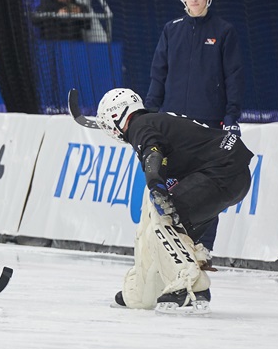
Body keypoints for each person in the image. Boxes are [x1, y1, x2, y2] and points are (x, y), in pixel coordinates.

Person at [95, 88, 253, 313]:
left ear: (116, 117)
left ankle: (192, 286)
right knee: (163, 223)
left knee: (163, 215)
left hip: (221, 173)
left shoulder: (140, 126)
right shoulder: (155, 120)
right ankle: (143, 291)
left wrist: (156, 185)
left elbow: (153, 152)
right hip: (233, 173)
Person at [145, 0, 244, 254]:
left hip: (209, 123)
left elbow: (234, 77)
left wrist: (231, 117)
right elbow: (158, 75)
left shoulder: (224, 31)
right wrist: (150, 112)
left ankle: (203, 246)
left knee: (207, 186)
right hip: (173, 123)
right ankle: (173, 243)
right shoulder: (171, 30)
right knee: (170, 185)